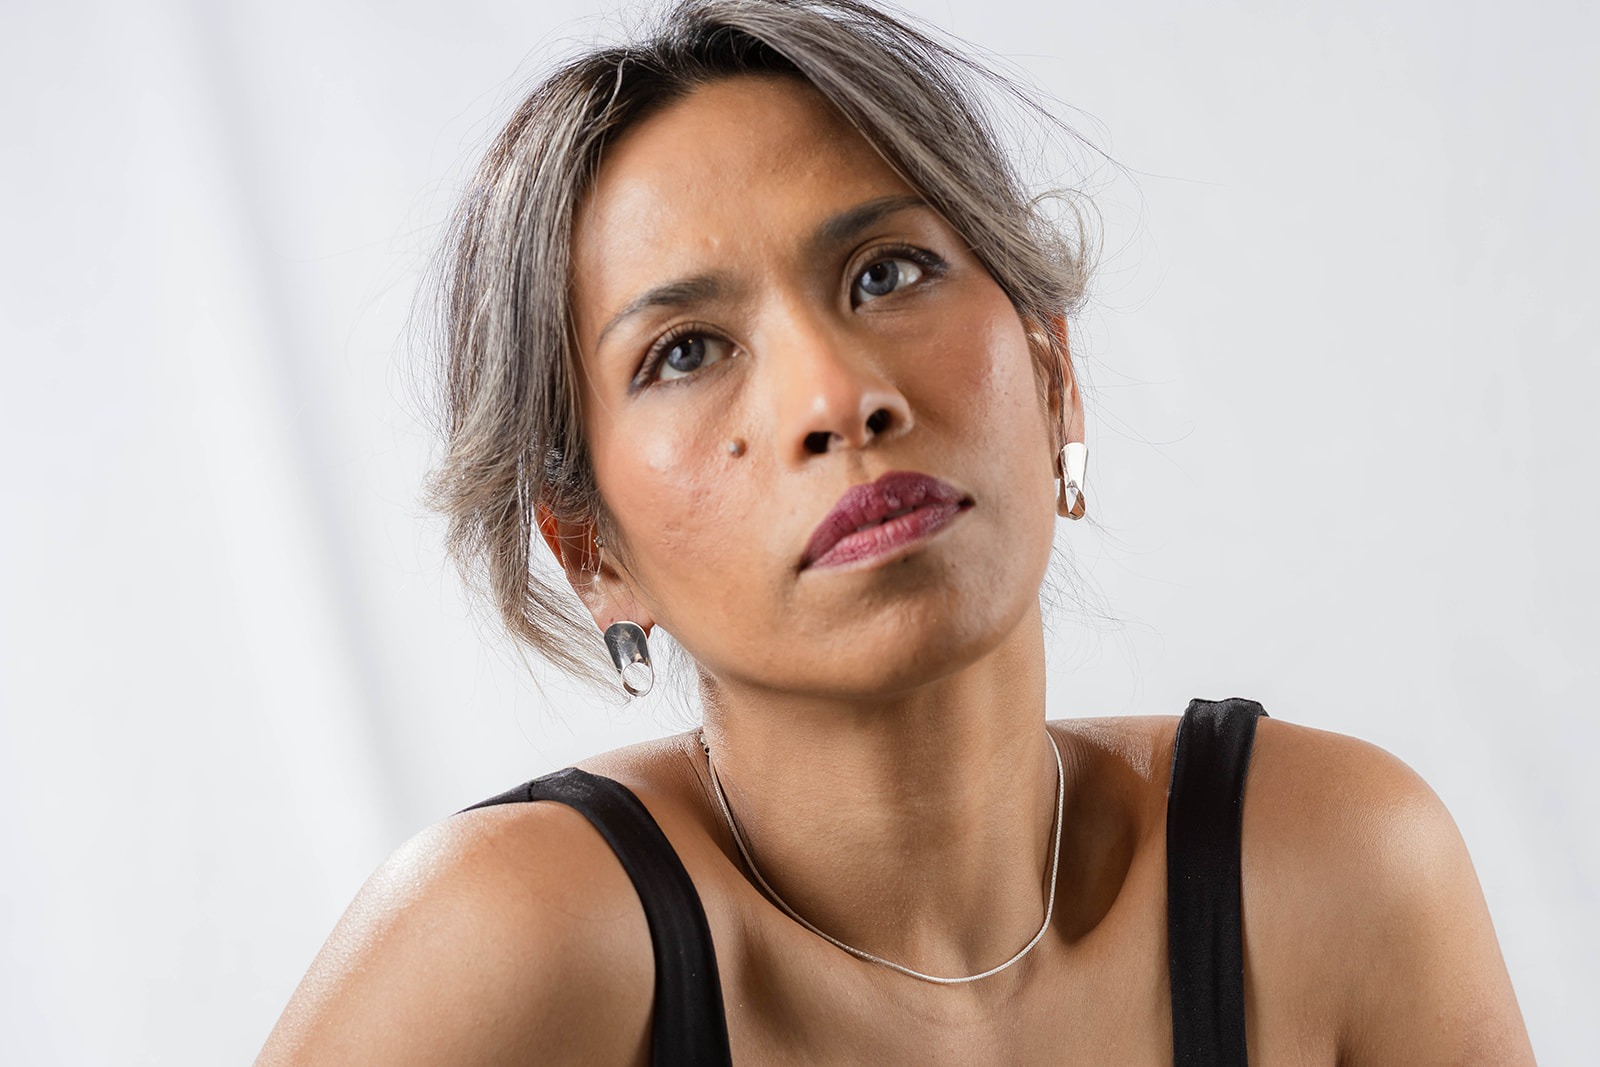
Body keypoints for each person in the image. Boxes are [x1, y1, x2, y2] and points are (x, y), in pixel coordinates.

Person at [257, 1, 1534, 1062]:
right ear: (591, 550)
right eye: (686, 351)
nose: (835, 398)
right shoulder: (514, 942)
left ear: (1053, 379)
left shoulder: (1334, 870)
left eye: (886, 272)